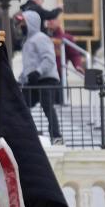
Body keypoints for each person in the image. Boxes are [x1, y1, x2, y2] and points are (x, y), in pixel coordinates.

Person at [20, 9, 63, 145]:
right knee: (22, 105)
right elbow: (28, 65)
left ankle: (56, 137)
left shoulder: (41, 38)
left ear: (30, 22)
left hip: (46, 79)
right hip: (32, 80)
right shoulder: (27, 42)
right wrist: (20, 79)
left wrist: (38, 72)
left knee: (47, 106)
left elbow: (49, 58)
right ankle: (27, 134)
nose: (21, 26)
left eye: (23, 23)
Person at [46, 11, 83, 80]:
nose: (50, 21)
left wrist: (78, 65)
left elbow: (74, 54)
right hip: (43, 76)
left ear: (59, 21)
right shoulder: (41, 37)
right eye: (48, 19)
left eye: (53, 19)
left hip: (59, 76)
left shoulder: (66, 38)